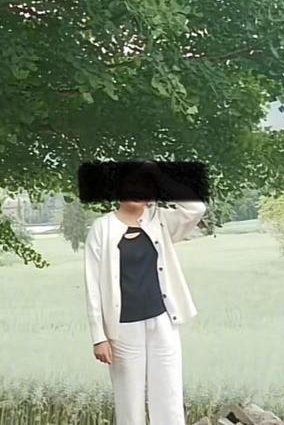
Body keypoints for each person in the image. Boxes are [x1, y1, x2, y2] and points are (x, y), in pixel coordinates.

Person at [83, 161, 207, 425]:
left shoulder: (159, 220)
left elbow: (196, 208)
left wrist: (161, 177)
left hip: (162, 321)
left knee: (169, 396)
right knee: (130, 401)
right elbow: (93, 286)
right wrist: (99, 338)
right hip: (123, 329)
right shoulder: (102, 228)